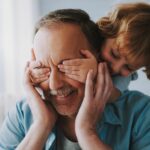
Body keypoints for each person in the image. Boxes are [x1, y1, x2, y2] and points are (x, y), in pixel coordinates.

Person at [0, 8, 150, 150]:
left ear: (97, 60)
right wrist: (41, 125)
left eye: (66, 66)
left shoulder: (141, 113)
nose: (54, 84)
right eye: (43, 68)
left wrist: (87, 132)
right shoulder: (22, 114)